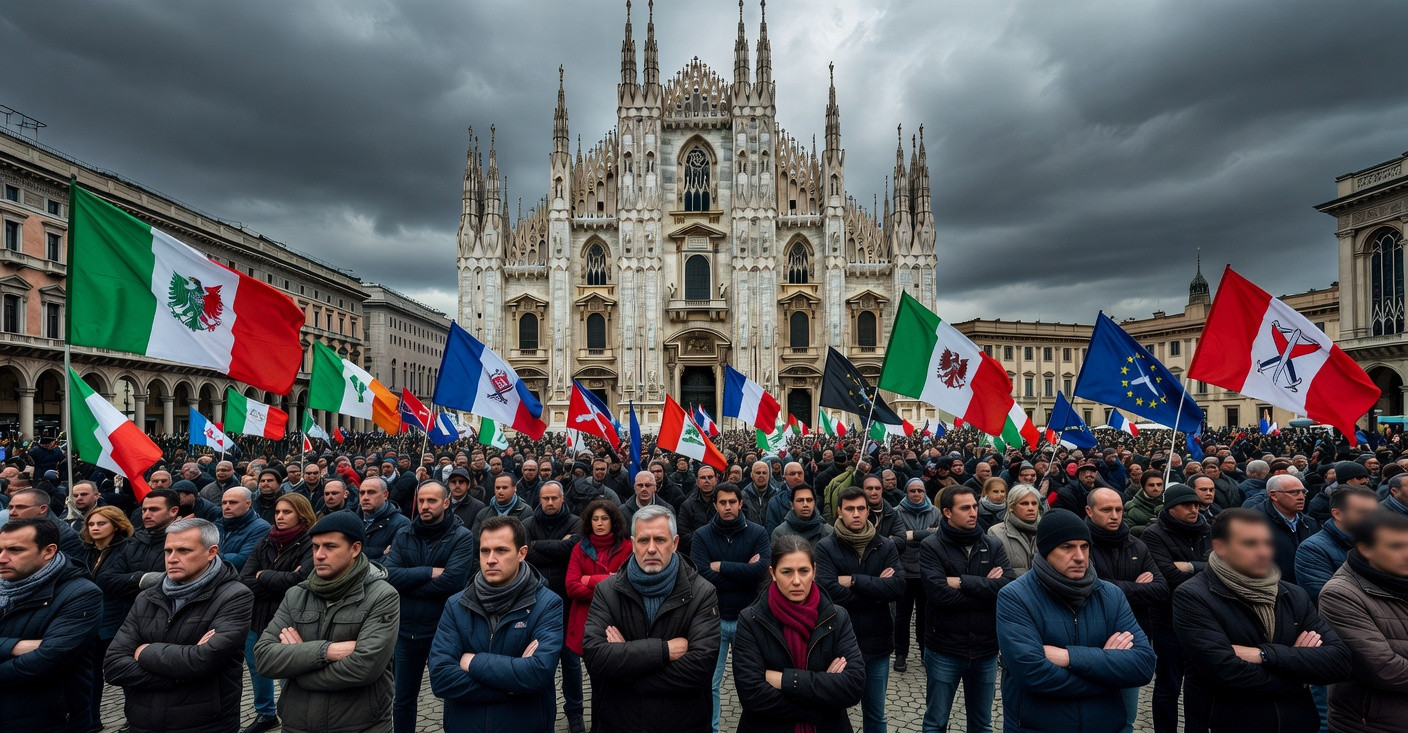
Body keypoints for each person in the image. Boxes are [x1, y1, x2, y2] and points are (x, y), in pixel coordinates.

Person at [1173, 508, 1352, 733]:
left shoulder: (1292, 594)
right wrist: (1300, 676)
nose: (1263, 552)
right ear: (1220, 547)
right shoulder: (1194, 596)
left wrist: (1264, 655)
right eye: (1250, 543)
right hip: (1227, 724)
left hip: (1296, 724)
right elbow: (1225, 673)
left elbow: (1340, 661)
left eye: (1267, 543)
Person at [996, 508, 1157, 732]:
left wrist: (1067, 656)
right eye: (1067, 547)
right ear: (1046, 551)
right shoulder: (1016, 596)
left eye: (1085, 546)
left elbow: (1143, 665)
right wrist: (1109, 673)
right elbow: (1032, 674)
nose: (1080, 556)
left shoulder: (1111, 595)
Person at [253, 510, 401, 733]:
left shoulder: (382, 596)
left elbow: (365, 668)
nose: (319, 555)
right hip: (297, 723)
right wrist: (326, 651)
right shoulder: (296, 594)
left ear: (355, 549)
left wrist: (298, 668)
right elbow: (264, 657)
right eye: (315, 547)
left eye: (330, 547)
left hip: (359, 725)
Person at [104, 518, 255, 733]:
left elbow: (203, 661)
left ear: (211, 552)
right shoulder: (147, 597)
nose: (172, 559)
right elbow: (113, 666)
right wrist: (179, 674)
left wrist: (144, 651)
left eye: (183, 551)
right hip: (143, 721)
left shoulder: (235, 596)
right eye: (168, 551)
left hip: (204, 724)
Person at [582, 505, 720, 733]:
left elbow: (700, 667)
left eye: (660, 540)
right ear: (633, 544)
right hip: (619, 722)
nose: (652, 549)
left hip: (682, 723)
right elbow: (596, 658)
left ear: (675, 543)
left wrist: (627, 670)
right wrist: (664, 651)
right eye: (644, 540)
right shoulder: (607, 591)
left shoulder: (703, 592)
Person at [428, 515, 563, 733]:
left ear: (522, 553)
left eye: (501, 550)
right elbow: (441, 678)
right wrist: (514, 687)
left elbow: (538, 673)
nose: (490, 559)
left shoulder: (547, 604)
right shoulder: (456, 605)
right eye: (484, 551)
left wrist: (473, 662)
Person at [731, 534, 866, 732]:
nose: (796, 581)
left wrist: (785, 680)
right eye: (787, 572)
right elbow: (752, 695)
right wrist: (821, 700)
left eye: (803, 571)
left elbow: (853, 685)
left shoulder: (836, 617)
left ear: (814, 571)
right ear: (773, 573)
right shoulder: (751, 620)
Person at [920, 484, 1016, 732]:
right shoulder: (931, 546)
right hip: (944, 647)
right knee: (935, 722)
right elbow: (938, 594)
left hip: (985, 649)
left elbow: (1006, 589)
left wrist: (962, 582)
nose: (973, 512)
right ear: (947, 512)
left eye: (974, 506)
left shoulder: (992, 545)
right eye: (965, 508)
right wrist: (986, 588)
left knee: (982, 724)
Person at [383, 480, 477, 733]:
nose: (425, 506)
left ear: (446, 503)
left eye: (432, 501)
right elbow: (389, 575)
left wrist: (409, 582)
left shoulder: (462, 536)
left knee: (451, 694)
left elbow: (452, 583)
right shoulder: (404, 533)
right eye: (421, 500)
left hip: (444, 630)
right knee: (403, 698)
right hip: (406, 631)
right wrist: (427, 572)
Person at [0, 517, 103, 732]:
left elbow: (46, 661)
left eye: (15, 550)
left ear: (48, 551)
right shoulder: (4, 586)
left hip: (47, 721)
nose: (2, 558)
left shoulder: (81, 593)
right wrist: (15, 646)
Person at [815, 486, 905, 733]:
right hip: (837, 643)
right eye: (850, 509)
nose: (856, 514)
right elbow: (828, 592)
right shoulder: (825, 547)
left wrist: (854, 581)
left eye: (861, 508)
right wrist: (877, 587)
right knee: (832, 712)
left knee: (875, 714)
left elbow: (898, 587)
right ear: (839, 512)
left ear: (869, 511)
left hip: (878, 641)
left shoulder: (885, 545)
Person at [1085, 487, 1168, 731]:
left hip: (1131, 640)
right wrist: (1136, 589)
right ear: (1089, 511)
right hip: (1091, 640)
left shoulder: (1136, 545)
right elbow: (1089, 589)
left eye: (1119, 509)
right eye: (1106, 510)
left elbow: (1161, 590)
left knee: (1126, 720)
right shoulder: (1080, 545)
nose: (1114, 515)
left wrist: (1112, 588)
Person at [690, 481, 770, 732]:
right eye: (722, 503)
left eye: (732, 502)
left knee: (752, 681)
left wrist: (722, 566)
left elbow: (759, 573)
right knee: (711, 683)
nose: (727, 507)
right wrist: (743, 570)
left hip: (749, 618)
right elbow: (701, 575)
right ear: (714, 505)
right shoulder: (702, 535)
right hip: (713, 618)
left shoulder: (758, 533)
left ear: (741, 503)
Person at [1319, 510, 1408, 732]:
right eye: (1396, 546)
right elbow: (1384, 669)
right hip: (1377, 721)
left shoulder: (1400, 577)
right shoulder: (1340, 594)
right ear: (1365, 549)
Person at [237, 493, 317, 733]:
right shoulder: (266, 540)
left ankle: (291, 714)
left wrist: (265, 575)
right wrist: (278, 580)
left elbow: (301, 582)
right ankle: (265, 714)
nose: (280, 517)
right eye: (278, 512)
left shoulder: (310, 543)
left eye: (287, 512)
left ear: (301, 514)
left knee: (288, 670)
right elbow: (244, 580)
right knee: (257, 666)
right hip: (258, 616)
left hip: (291, 618)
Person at [1136, 482, 1210, 733]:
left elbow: (1223, 568)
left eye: (1196, 505)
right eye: (1186, 505)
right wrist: (1203, 569)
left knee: (1199, 685)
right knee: (1168, 685)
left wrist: (1189, 566)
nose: (1194, 509)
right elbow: (1167, 575)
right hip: (1169, 620)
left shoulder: (1207, 530)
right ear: (1170, 508)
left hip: (1204, 621)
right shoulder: (1154, 534)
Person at [522, 480, 585, 732]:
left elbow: (574, 551)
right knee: (541, 663)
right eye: (545, 499)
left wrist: (539, 546)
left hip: (568, 605)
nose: (549, 503)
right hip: (535, 605)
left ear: (562, 499)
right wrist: (560, 546)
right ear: (539, 498)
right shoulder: (527, 524)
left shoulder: (577, 523)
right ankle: (543, 715)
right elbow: (525, 555)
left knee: (570, 663)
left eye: (554, 499)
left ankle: (575, 712)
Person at [563, 498, 630, 732]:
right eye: (595, 519)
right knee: (594, 678)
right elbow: (571, 586)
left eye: (604, 518)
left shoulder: (628, 547)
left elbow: (626, 584)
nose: (599, 523)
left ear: (614, 521)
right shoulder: (579, 548)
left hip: (617, 623)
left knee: (612, 681)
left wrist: (590, 580)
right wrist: (608, 580)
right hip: (584, 622)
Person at [1295, 485, 1378, 602]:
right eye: (1363, 512)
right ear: (1337, 514)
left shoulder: (1380, 541)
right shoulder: (1312, 549)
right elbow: (1330, 598)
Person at [894, 477, 941, 673]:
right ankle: (901, 654)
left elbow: (938, 534)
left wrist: (914, 535)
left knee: (925, 616)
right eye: (912, 491)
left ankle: (924, 652)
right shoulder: (897, 512)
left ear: (924, 492)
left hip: (926, 571)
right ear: (906, 492)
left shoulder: (935, 512)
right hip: (904, 570)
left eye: (919, 491)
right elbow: (898, 538)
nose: (916, 494)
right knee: (902, 616)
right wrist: (924, 534)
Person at [1262, 474, 1319, 585]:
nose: (1301, 497)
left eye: (1303, 492)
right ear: (1273, 496)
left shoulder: (1309, 523)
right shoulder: (1256, 523)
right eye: (1294, 492)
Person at [7, 488, 87, 566]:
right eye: (10, 507)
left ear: (42, 509)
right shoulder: (11, 531)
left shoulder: (64, 536)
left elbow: (72, 569)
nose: (12, 512)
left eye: (20, 507)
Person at [988, 483, 1043, 577]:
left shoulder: (1046, 530)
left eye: (1034, 503)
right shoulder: (996, 532)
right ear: (1011, 506)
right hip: (1014, 589)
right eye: (1024, 503)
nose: (1030, 508)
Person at [217, 487, 270, 571]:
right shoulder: (217, 524)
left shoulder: (261, 528)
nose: (226, 507)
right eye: (224, 503)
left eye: (233, 502)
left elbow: (243, 561)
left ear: (248, 504)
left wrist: (213, 556)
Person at [356, 477, 409, 561]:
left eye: (371, 492)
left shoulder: (401, 524)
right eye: (362, 493)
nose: (365, 497)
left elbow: (392, 562)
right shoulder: (351, 519)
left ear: (385, 495)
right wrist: (380, 552)